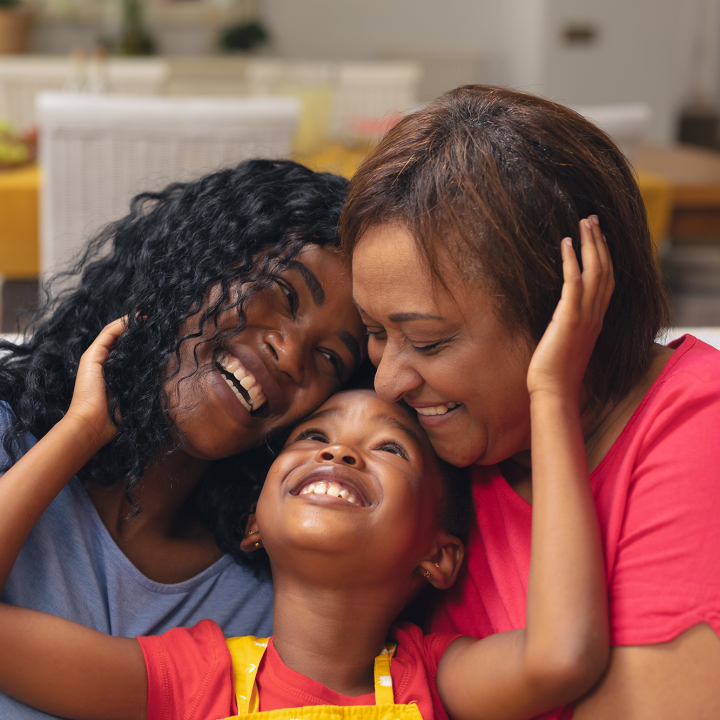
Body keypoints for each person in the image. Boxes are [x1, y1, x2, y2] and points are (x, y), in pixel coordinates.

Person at [0, 223, 610, 720]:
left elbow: (560, 658)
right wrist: (82, 429)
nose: (338, 454)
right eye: (315, 436)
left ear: (440, 557)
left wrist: (550, 395)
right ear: (252, 527)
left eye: (390, 450)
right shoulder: (189, 676)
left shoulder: (435, 677)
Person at [342, 85, 720, 719]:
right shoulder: (422, 448)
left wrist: (550, 398)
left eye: (429, 341)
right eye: (375, 333)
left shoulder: (694, 429)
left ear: (562, 314)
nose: (387, 381)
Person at [0, 159, 366, 718]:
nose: (290, 354)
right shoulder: (11, 436)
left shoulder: (259, 607)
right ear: (193, 267)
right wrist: (80, 432)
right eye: (282, 295)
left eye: (329, 357)